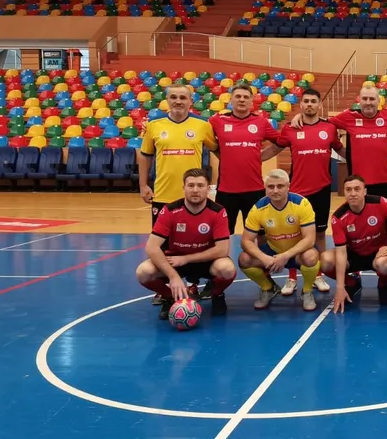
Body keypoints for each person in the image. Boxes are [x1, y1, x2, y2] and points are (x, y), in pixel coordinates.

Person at [139, 83, 218, 305]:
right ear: (167, 100)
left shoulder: (202, 126)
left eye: (183, 97)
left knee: (197, 242)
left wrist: (213, 184)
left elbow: (216, 151)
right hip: (163, 195)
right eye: (173, 97)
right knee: (163, 246)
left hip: (194, 197)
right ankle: (166, 288)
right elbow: (145, 156)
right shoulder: (154, 126)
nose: (178, 101)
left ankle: (194, 282)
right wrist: (143, 185)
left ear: (191, 101)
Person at [264, 88, 345, 295]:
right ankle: (292, 277)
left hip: (322, 190)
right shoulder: (290, 128)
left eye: (313, 101)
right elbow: (274, 149)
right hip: (297, 192)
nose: (309, 104)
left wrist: (362, 159)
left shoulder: (329, 128)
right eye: (306, 101)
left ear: (320, 105)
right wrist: (250, 160)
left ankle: (318, 275)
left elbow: (341, 150)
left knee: (319, 234)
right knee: (295, 236)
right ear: (301, 105)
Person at [135, 168, 236, 320]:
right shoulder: (170, 210)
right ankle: (170, 297)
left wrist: (186, 259)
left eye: (200, 185)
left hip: (205, 261)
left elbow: (222, 250)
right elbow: (151, 247)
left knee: (227, 269)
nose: (195, 190)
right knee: (143, 272)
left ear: (208, 189)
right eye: (191, 185)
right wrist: (173, 276)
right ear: (184, 188)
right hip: (174, 260)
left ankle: (217, 294)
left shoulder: (218, 211)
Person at [291, 84, 387, 200]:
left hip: (384, 181)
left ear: (379, 100)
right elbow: (321, 122)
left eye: (372, 99)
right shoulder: (348, 116)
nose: (368, 102)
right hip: (357, 184)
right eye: (364, 98)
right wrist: (300, 116)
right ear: (359, 100)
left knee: (384, 212)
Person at [321, 174, 387, 313]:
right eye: (348, 190)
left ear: (365, 191)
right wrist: (339, 287)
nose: (353, 193)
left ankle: (383, 283)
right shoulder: (338, 217)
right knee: (325, 260)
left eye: (357, 189)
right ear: (344, 192)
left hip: (379, 253)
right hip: (354, 254)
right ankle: (351, 282)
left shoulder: (380, 203)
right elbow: (341, 252)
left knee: (385, 264)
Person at [237, 169, 321, 311]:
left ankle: (307, 291)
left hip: (297, 252)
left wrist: (285, 256)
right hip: (273, 250)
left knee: (311, 256)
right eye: (271, 187)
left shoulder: (302, 204)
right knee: (244, 259)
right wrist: (264, 258)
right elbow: (246, 241)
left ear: (288, 186)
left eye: (280, 186)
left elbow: (310, 239)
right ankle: (268, 288)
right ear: (265, 188)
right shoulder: (258, 208)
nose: (275, 190)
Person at [208, 81, 283, 234]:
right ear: (231, 100)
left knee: (259, 234)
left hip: (255, 189)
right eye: (238, 96)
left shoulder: (261, 122)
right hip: (226, 191)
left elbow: (281, 142)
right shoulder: (217, 121)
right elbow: (206, 140)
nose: (241, 100)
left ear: (251, 101)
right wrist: (222, 154)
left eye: (245, 97)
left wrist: (260, 157)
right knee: (223, 234)